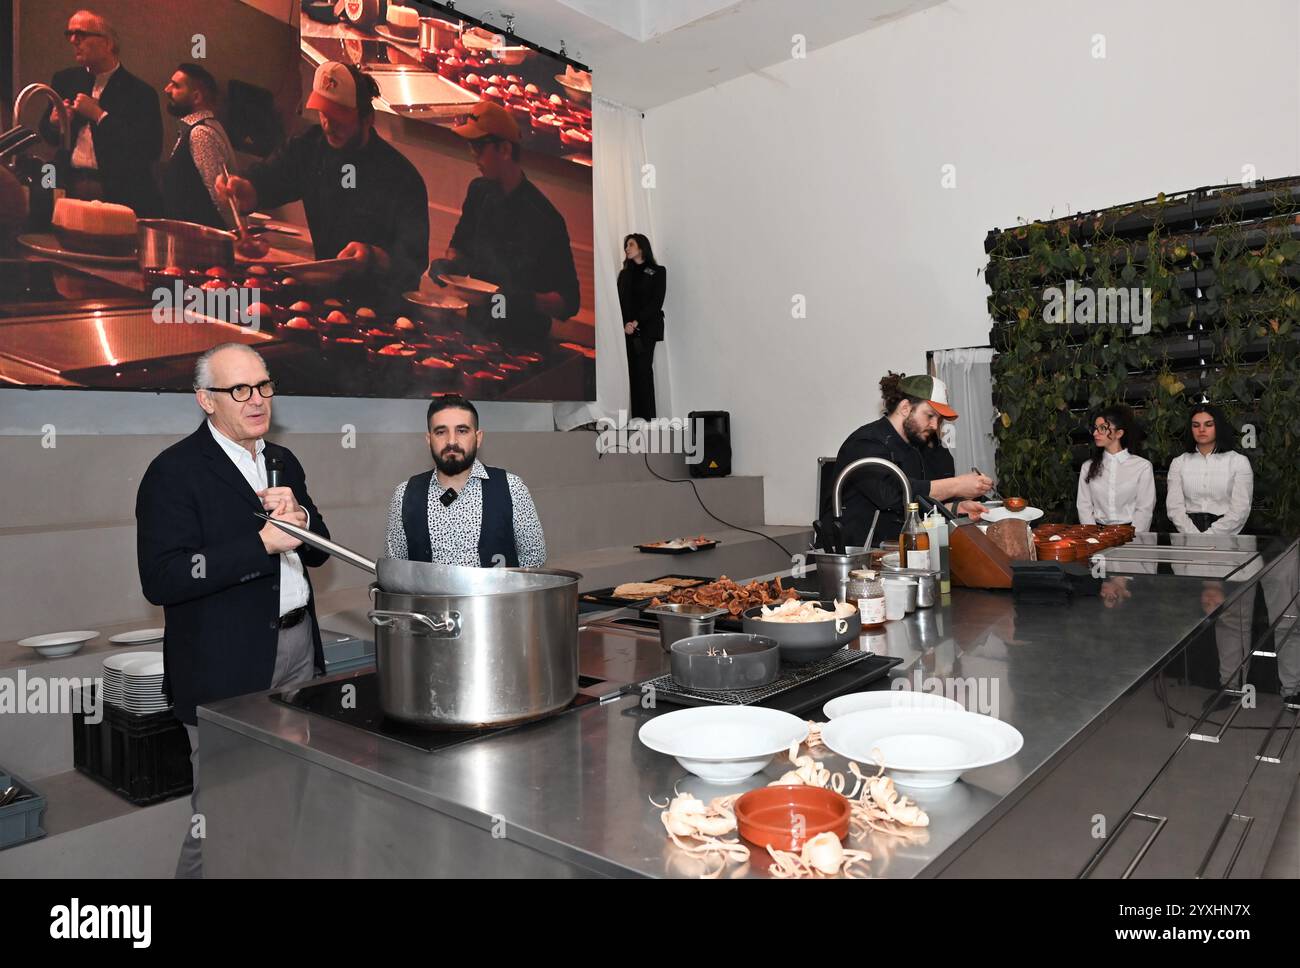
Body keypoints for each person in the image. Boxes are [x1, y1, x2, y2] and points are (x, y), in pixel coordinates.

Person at [135, 343, 331, 877]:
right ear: (205, 400)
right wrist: (260, 544)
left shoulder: (281, 459)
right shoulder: (173, 472)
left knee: (289, 796)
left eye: (264, 386)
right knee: (223, 814)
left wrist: (303, 521)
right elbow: (162, 578)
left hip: (297, 652)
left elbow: (318, 550)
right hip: (228, 666)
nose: (257, 400)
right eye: (239, 390)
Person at [216, 61, 429, 301]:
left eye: (339, 116)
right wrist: (244, 189)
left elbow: (414, 259)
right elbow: (267, 180)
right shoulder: (308, 147)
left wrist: (372, 256)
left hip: (383, 305)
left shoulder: (401, 177)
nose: (329, 125)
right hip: (328, 294)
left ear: (368, 118)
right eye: (324, 113)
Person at [431, 100, 580, 344]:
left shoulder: (545, 218)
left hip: (523, 342)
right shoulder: (478, 191)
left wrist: (524, 300)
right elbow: (459, 246)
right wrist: (450, 266)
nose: (473, 155)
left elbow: (568, 302)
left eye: (478, 148)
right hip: (476, 332)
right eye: (471, 147)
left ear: (505, 150)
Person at [824, 373, 992, 547]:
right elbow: (892, 495)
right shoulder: (865, 443)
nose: (935, 426)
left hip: (900, 551)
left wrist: (957, 508)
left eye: (939, 419)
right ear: (905, 408)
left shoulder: (923, 448)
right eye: (930, 416)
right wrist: (957, 485)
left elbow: (920, 504)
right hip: (853, 554)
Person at [385, 393, 546, 567]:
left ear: (478, 438)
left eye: (462, 430)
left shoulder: (512, 488)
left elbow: (534, 559)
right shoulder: (404, 494)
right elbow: (397, 565)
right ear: (429, 439)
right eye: (441, 432)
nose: (451, 441)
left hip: (497, 595)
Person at [44, 9, 162, 215]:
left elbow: (150, 149)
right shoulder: (65, 80)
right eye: (69, 34)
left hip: (119, 193)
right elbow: (46, 132)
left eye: (80, 34)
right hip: (70, 185)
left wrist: (100, 116)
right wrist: (55, 123)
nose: (73, 40)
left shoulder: (140, 92)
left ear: (107, 43)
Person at [161, 62, 238, 229]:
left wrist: (236, 238)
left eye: (175, 86)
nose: (167, 90)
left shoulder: (201, 133)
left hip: (200, 243)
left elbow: (220, 199)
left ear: (196, 97)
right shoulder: (202, 128)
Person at [1165, 403, 1254, 535]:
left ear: (1218, 426)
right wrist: (1193, 536)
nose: (1201, 429)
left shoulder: (1238, 462)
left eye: (1208, 424)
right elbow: (1174, 508)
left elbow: (1240, 509)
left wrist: (1210, 536)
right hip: (1187, 534)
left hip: (1227, 535)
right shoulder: (1179, 463)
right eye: (1196, 425)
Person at [1076, 404, 1156, 532]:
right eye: (1095, 428)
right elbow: (1084, 506)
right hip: (1097, 535)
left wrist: (1133, 537)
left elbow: (1144, 509)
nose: (1096, 433)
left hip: (1131, 534)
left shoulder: (1142, 467)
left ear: (1119, 433)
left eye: (1103, 428)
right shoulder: (1088, 467)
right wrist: (1093, 536)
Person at [618, 233, 666, 420]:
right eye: (626, 246)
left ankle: (647, 419)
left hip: (647, 328)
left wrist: (636, 322)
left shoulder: (658, 271)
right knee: (631, 373)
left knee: (643, 371)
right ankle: (635, 420)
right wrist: (625, 324)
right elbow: (620, 302)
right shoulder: (625, 274)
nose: (626, 249)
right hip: (627, 330)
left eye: (630, 244)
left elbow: (656, 302)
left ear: (641, 247)